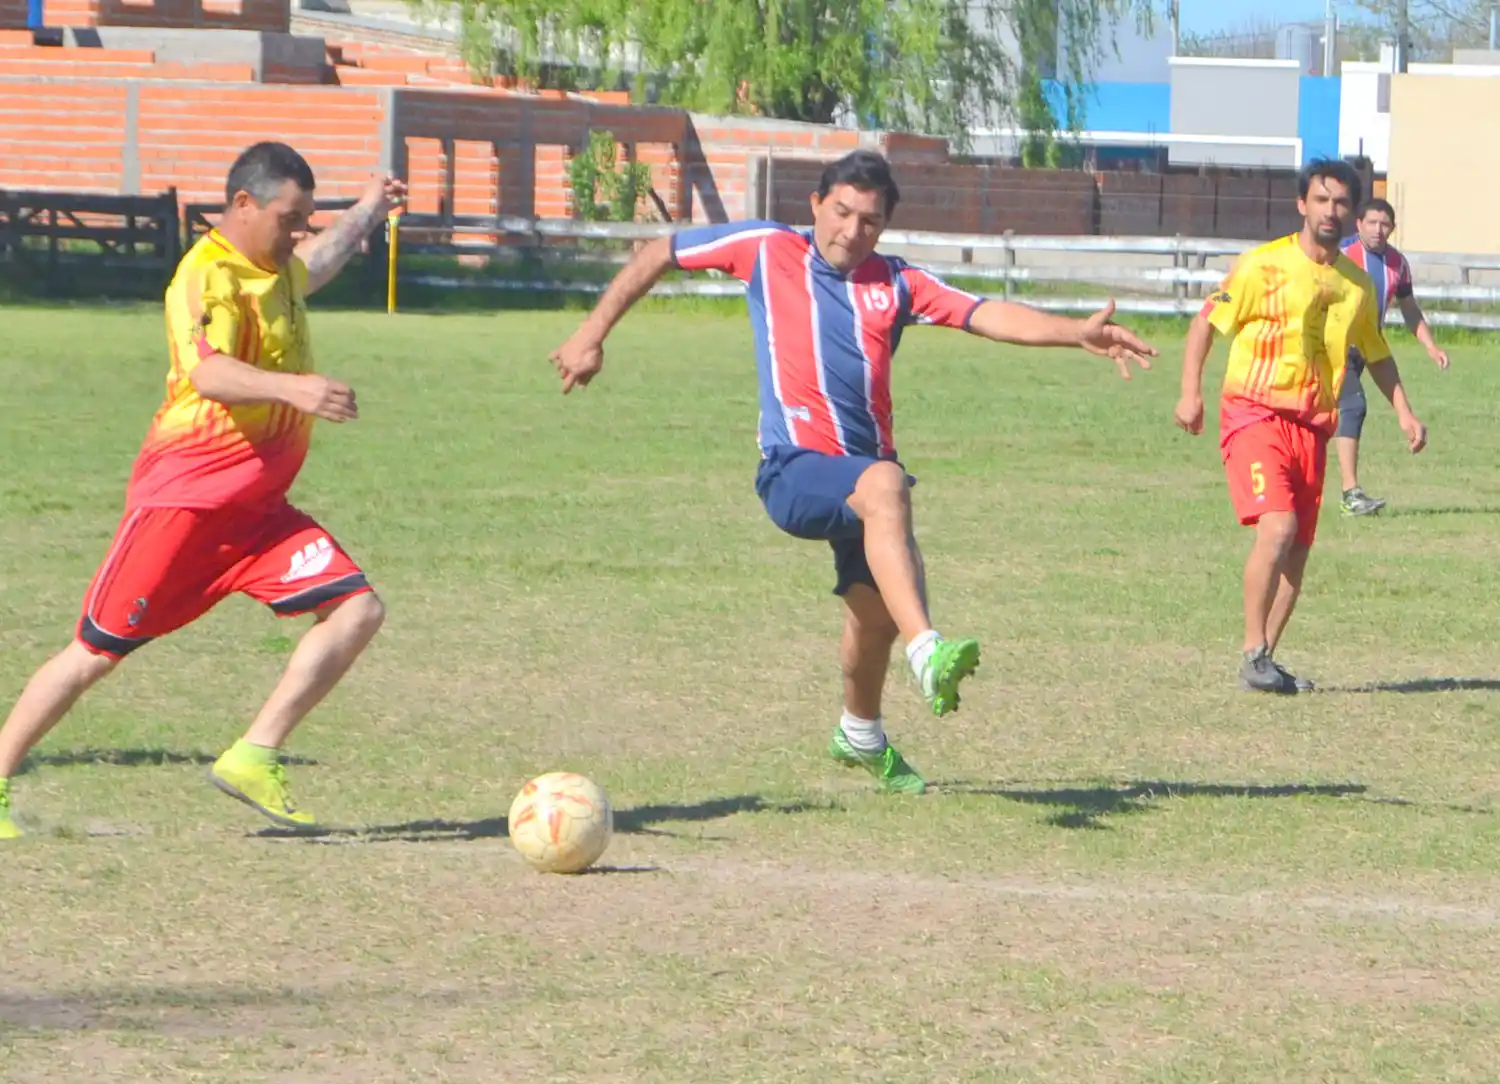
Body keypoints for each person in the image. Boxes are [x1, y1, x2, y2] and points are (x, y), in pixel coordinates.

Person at [548, 150, 1157, 794]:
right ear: (815, 204)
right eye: (841, 212)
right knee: (887, 487)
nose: (851, 230)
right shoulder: (764, 247)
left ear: (883, 227)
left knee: (875, 615)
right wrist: (592, 332)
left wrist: (1074, 333)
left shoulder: (897, 283)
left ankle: (860, 733)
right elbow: (661, 251)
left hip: (864, 482)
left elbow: (985, 314)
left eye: (869, 221)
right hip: (794, 471)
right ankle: (929, 653)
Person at [0, 142, 406, 839]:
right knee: (94, 653)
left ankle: (254, 754)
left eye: (307, 217)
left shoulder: (276, 268)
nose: (299, 231)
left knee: (357, 609)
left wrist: (368, 208)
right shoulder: (208, 273)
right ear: (243, 205)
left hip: (257, 517)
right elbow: (209, 373)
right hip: (182, 508)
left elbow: (322, 263)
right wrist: (296, 388)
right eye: (290, 217)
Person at [1174, 158, 1428, 695]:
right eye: (1321, 199)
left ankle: (1262, 660)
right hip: (1255, 412)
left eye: (1341, 202)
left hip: (1314, 426)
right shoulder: (1260, 267)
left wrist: (1403, 410)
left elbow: (1377, 353)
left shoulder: (1356, 284)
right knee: (1279, 527)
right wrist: (1190, 392)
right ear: (1301, 204)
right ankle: (1251, 648)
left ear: (1354, 214)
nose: (1330, 210)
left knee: (1299, 552)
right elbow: (1205, 324)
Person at [1334, 197, 1449, 516]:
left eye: (1385, 224)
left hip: (1367, 347)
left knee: (1344, 410)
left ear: (1393, 228)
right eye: (1371, 222)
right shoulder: (1339, 254)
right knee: (1352, 405)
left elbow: (1410, 309)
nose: (1378, 229)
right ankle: (1349, 494)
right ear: (1358, 225)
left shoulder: (1397, 264)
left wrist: (1430, 346)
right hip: (1331, 349)